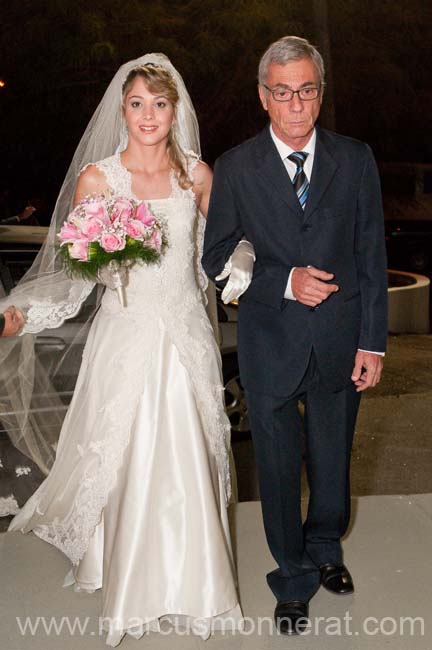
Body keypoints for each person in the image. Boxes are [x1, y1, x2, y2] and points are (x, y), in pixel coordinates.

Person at [5, 54, 242, 645]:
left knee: (188, 451)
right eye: (137, 103)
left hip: (186, 335)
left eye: (160, 104)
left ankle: (197, 582)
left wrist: (247, 267)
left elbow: (230, 248)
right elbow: (75, 276)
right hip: (125, 334)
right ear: (123, 109)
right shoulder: (98, 180)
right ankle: (126, 574)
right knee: (128, 453)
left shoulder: (198, 177)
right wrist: (23, 313)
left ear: (175, 110)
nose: (148, 115)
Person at [203, 35, 387, 634]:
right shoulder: (234, 168)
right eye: (283, 93)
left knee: (332, 465)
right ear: (264, 98)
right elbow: (218, 256)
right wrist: (284, 282)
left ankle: (326, 549)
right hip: (270, 344)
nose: (297, 105)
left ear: (320, 92)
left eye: (307, 90)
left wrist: (372, 341)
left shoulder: (355, 159)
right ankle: (292, 576)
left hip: (340, 341)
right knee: (279, 469)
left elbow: (370, 256)